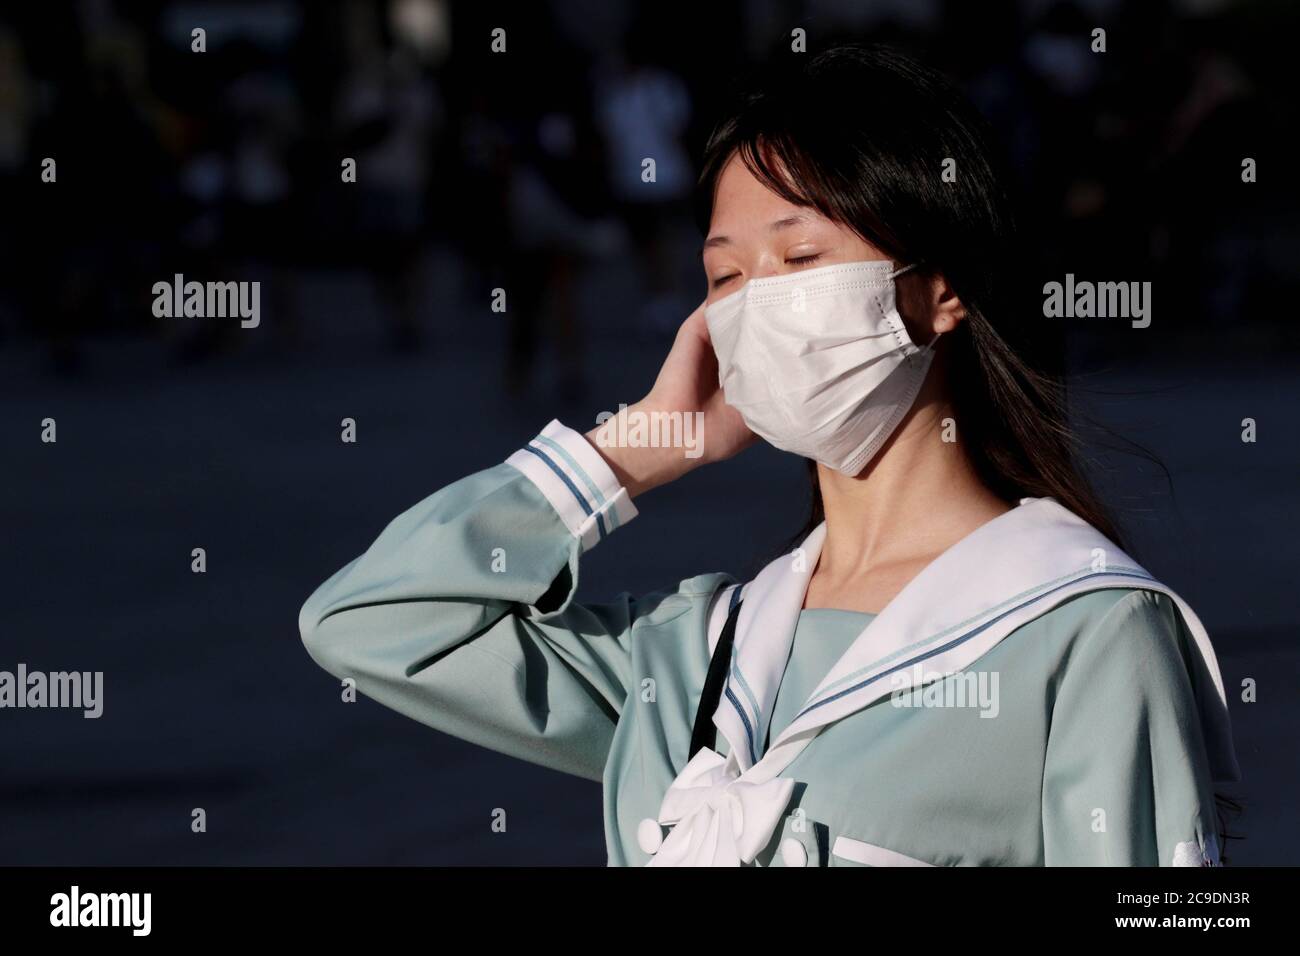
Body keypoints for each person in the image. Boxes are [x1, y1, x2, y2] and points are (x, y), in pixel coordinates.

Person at [299, 45, 1237, 867]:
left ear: (942, 290)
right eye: (724, 276)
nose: (754, 305)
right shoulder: (691, 653)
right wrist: (632, 450)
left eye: (798, 260)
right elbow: (369, 622)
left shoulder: (1082, 630)